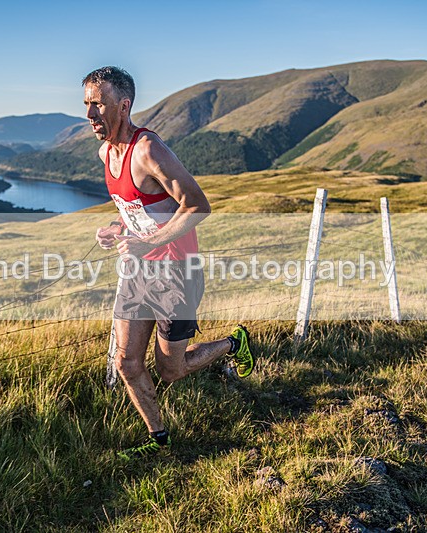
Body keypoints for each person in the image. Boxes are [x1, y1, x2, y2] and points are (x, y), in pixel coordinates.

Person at [83, 66, 255, 459]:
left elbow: (197, 205)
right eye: (87, 105)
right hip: (138, 273)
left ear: (123, 105)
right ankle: (158, 439)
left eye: (99, 105)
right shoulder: (105, 152)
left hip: (176, 273)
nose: (91, 115)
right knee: (127, 362)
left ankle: (233, 342)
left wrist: (149, 243)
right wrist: (114, 228)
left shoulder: (148, 150)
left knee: (170, 371)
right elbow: (136, 211)